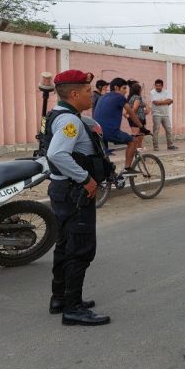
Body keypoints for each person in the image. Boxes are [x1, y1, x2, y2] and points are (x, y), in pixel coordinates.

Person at [43, 69, 113, 326]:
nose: (91, 95)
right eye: (86, 91)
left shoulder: (62, 115)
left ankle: (60, 298)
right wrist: (87, 179)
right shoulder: (69, 122)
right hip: (75, 193)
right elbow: (57, 154)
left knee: (65, 245)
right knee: (80, 249)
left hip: (63, 191)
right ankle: (72, 309)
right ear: (74, 94)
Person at [94, 77, 148, 174]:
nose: (126, 91)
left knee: (105, 157)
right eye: (124, 88)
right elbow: (131, 113)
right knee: (132, 141)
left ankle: (109, 175)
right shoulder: (119, 97)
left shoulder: (102, 97)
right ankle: (127, 168)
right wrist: (142, 127)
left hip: (97, 132)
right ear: (116, 88)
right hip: (110, 132)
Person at [150, 78, 178, 151]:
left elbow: (171, 100)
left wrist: (161, 102)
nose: (158, 87)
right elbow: (155, 102)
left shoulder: (166, 92)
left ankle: (170, 145)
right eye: (156, 86)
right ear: (155, 86)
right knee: (156, 130)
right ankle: (155, 147)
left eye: (159, 86)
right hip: (156, 114)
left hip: (165, 114)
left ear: (162, 86)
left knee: (169, 130)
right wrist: (166, 101)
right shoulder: (152, 92)